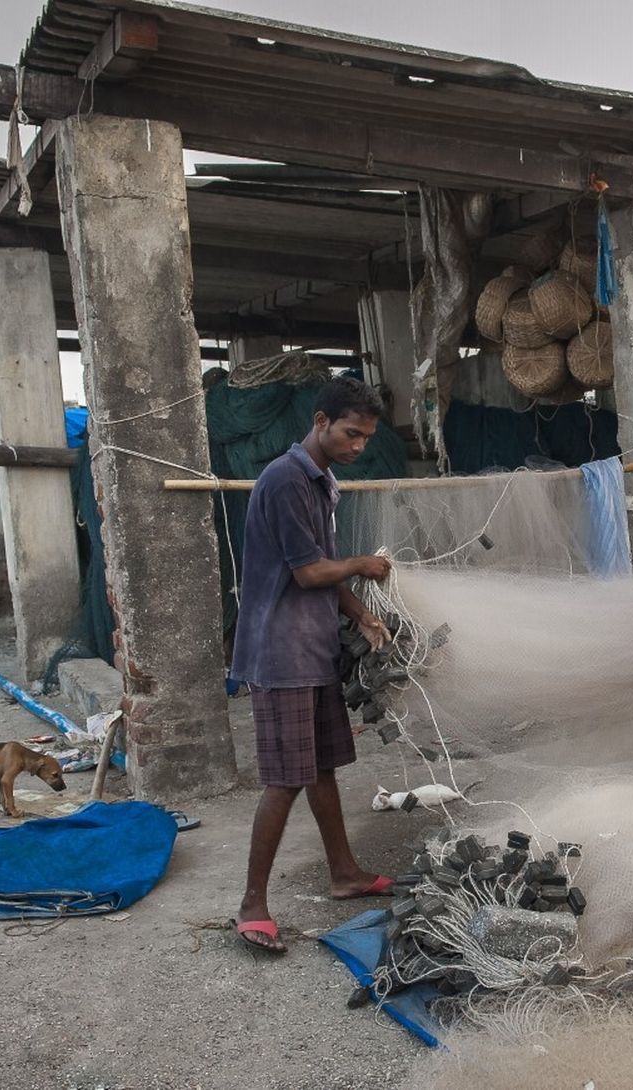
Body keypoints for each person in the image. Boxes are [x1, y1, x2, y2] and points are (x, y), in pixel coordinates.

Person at [232, 376, 397, 954]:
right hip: (280, 651)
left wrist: (361, 615)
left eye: (366, 438)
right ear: (321, 421)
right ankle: (252, 905)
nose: (358, 446)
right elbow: (309, 573)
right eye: (351, 433)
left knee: (321, 767)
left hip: (313, 645)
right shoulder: (284, 479)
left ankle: (344, 872)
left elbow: (323, 567)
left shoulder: (321, 480)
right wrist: (364, 564)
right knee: (285, 779)